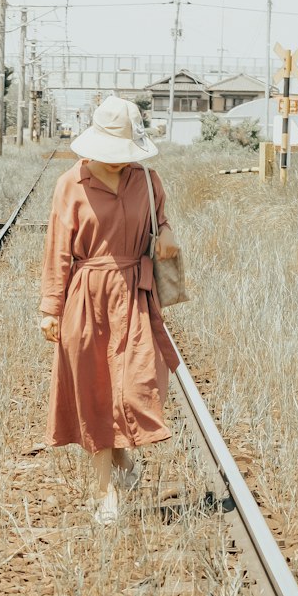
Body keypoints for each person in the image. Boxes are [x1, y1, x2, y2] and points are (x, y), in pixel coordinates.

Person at [39, 96, 181, 524]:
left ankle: (122, 456)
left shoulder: (148, 179)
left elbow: (161, 219)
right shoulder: (71, 184)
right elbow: (58, 250)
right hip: (87, 300)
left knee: (136, 383)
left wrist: (168, 234)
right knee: (97, 391)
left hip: (135, 298)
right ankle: (106, 495)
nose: (118, 163)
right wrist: (51, 308)